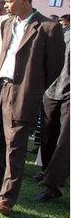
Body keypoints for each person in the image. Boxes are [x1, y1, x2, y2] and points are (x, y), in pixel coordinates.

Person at [0, 0, 65, 216]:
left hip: (23, 92)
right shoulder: (7, 24)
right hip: (0, 87)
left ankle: (6, 197)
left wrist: (32, 89)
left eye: (9, 1)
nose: (5, 5)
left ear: (24, 0)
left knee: (14, 146)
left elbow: (55, 67)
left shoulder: (48, 27)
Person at [34, 27, 69, 202]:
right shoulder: (63, 31)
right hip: (52, 89)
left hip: (69, 94)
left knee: (65, 141)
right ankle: (46, 171)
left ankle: (53, 186)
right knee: (48, 134)